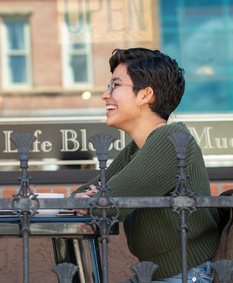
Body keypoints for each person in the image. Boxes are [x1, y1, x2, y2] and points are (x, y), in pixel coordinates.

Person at [71, 48, 220, 282]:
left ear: (145, 95)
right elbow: (82, 196)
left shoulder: (172, 141)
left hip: (186, 274)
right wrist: (95, 197)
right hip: (157, 274)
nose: (104, 95)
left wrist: (97, 197)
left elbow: (104, 203)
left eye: (115, 85)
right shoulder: (137, 149)